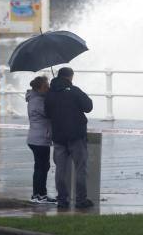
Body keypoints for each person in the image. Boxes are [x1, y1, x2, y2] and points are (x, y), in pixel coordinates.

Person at [45, 67, 93, 209]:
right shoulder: (74, 91)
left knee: (60, 169)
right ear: (70, 77)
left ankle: (62, 200)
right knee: (80, 168)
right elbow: (88, 106)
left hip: (59, 137)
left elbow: (47, 113)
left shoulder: (50, 93)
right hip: (76, 136)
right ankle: (80, 200)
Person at [25, 75, 57, 204]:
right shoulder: (38, 101)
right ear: (39, 88)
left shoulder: (35, 98)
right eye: (46, 86)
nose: (48, 88)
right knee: (42, 167)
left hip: (36, 138)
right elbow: (49, 113)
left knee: (41, 166)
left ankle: (37, 194)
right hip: (40, 139)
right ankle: (40, 195)